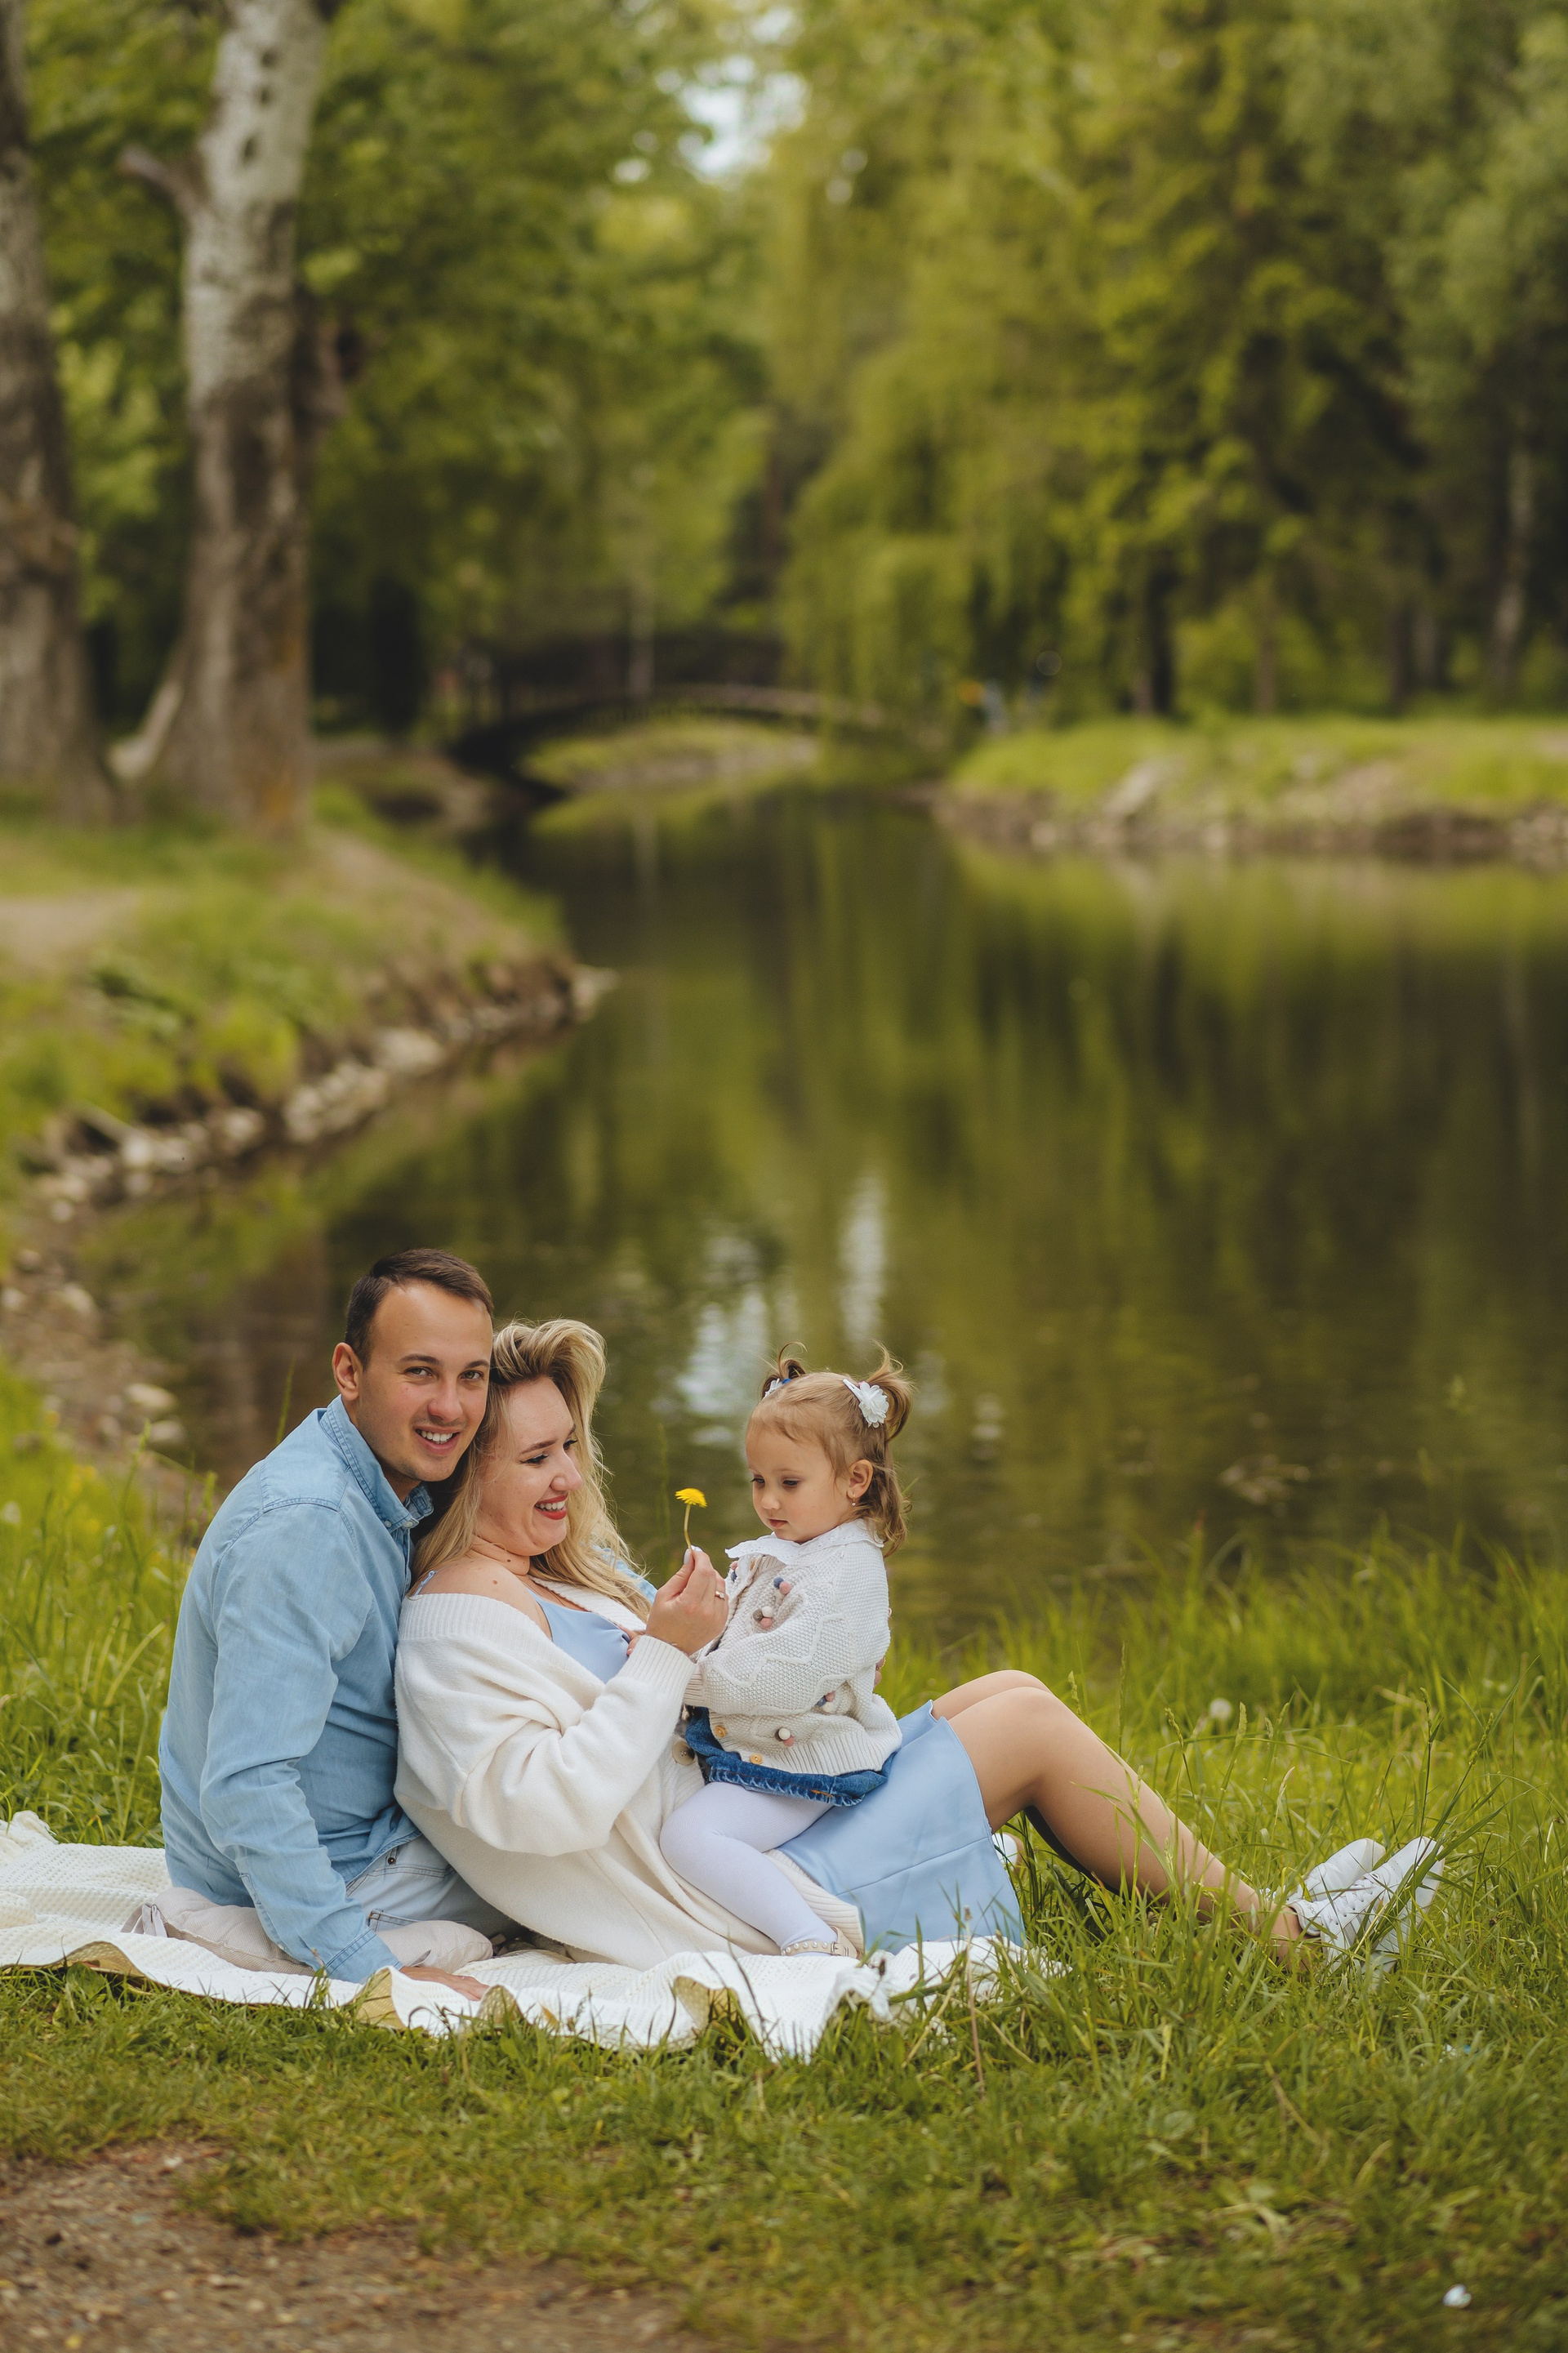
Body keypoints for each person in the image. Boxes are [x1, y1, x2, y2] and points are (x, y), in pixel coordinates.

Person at [394, 1317, 1443, 1973]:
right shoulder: (458, 1623)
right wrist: (671, 1654)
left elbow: (700, 1673)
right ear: (466, 1470)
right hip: (733, 1882)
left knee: (1009, 1685)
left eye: (570, 1446)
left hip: (762, 1802)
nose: (569, 1477)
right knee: (1028, 1729)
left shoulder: (553, 1572)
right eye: (536, 1458)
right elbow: (540, 1809)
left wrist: (773, 1659)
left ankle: (1269, 1912)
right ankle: (1300, 1946)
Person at [155, 1247, 509, 1998]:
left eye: (472, 1376)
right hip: (325, 1875)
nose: (451, 1407)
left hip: (363, 1835)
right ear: (350, 1370)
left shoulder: (377, 1479)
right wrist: (370, 1969)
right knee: (590, 1846)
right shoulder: (309, 1527)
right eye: (420, 1372)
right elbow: (249, 1784)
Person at [657, 1352, 911, 1957]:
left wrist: (678, 1668)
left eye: (788, 1483)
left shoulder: (847, 1570)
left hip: (804, 1762)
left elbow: (782, 1675)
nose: (769, 1500)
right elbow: (740, 1632)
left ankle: (810, 1940)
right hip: (763, 1746)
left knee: (690, 1837)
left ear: (855, 1480)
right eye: (758, 1480)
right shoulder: (793, 1543)